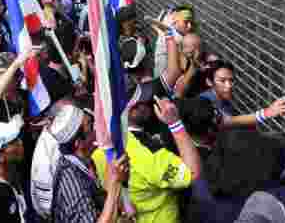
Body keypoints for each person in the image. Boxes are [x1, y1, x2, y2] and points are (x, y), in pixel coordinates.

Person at [91, 88, 200, 223]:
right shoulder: (150, 154)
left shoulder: (102, 149)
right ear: (130, 111)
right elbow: (192, 174)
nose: (147, 103)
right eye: (141, 102)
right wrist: (175, 123)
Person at [48, 104, 129, 223]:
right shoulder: (71, 179)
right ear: (78, 143)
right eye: (90, 125)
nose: (96, 128)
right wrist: (116, 183)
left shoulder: (84, 163)